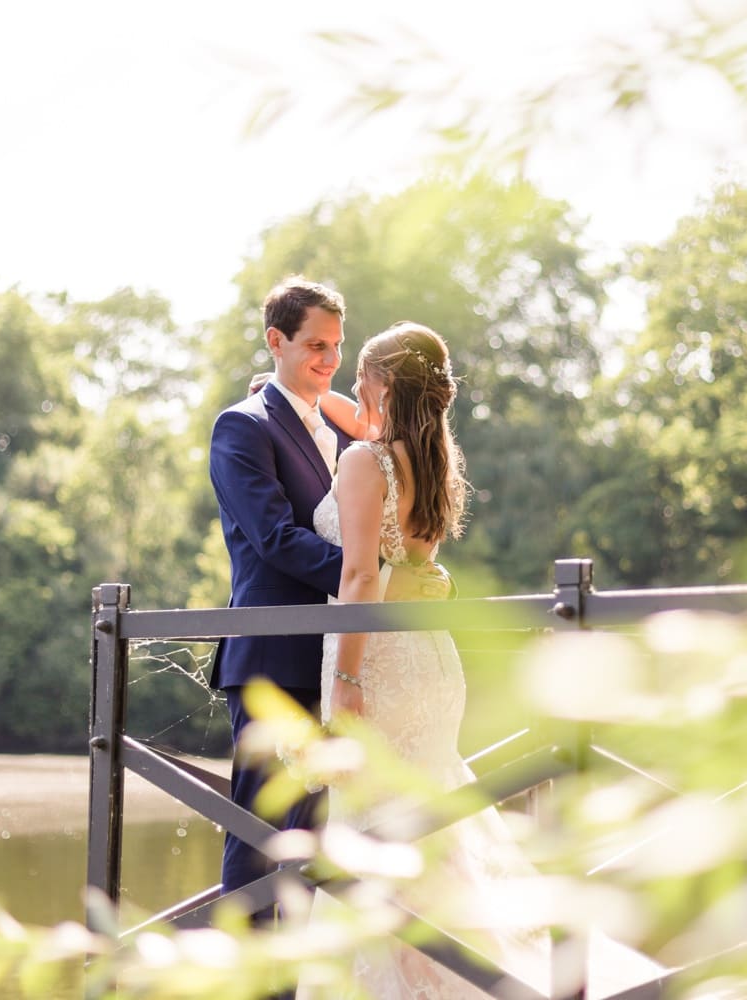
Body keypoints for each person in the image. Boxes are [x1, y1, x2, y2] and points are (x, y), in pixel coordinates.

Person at [301, 322, 548, 999]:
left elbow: (357, 576)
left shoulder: (364, 462)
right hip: (432, 661)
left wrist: (347, 677)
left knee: (372, 837)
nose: (352, 386)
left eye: (363, 377)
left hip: (377, 659)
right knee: (425, 831)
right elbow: (359, 423)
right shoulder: (434, 459)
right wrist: (292, 395)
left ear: (387, 384)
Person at [208, 277, 352, 903]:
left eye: (337, 346)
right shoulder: (242, 428)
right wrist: (370, 581)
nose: (329, 360)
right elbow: (275, 538)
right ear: (276, 340)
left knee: (321, 831)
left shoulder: (343, 431)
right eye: (316, 345)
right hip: (272, 659)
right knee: (261, 832)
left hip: (337, 659)